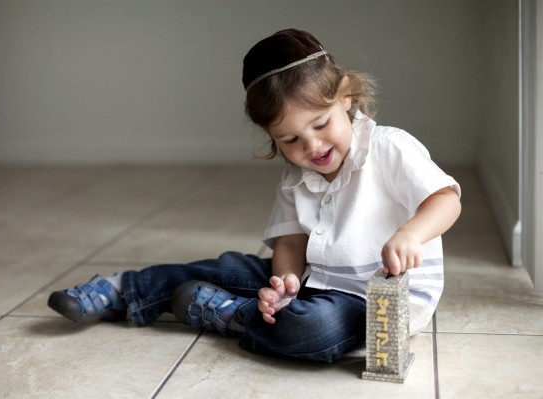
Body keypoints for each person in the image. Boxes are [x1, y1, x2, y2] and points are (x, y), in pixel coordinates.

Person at [48, 28, 461, 363]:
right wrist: (283, 283)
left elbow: (445, 199)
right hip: (313, 280)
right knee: (232, 267)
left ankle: (233, 316)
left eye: (321, 124)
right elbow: (291, 241)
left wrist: (411, 233)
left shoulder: (390, 147)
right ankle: (126, 289)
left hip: (372, 300)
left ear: (346, 97)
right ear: (272, 137)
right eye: (291, 139)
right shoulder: (297, 171)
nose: (312, 146)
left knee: (312, 329)